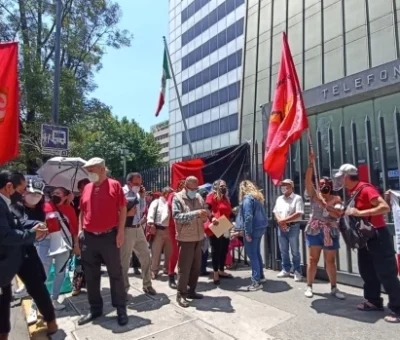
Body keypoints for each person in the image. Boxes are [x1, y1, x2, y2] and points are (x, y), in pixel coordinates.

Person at [334, 164, 400, 323]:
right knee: (367, 270)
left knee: (387, 272)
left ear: (346, 176)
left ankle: (398, 308)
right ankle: (374, 301)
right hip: (365, 237)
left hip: (377, 235)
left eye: (341, 177)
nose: (340, 180)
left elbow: (384, 208)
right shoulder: (353, 191)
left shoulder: (365, 188)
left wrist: (360, 213)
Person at [0, 170, 58, 339]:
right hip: (6, 258)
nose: (24, 193)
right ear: (9, 186)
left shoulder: (8, 202)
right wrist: (33, 235)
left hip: (23, 254)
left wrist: (36, 224)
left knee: (37, 288)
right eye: (22, 189)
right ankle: (3, 333)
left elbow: (18, 221)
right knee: (4, 298)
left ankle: (51, 321)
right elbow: (5, 235)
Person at [78, 158, 128, 326]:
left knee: (115, 274)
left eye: (91, 170)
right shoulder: (86, 187)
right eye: (88, 170)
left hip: (109, 237)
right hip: (89, 237)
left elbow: (123, 209)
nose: (89, 173)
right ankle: (95, 309)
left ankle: (121, 309)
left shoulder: (115, 185)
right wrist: (80, 231)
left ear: (101, 169)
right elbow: (82, 212)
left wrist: (120, 232)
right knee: (91, 276)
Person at [304, 153, 345, 299]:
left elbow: (338, 214)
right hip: (315, 230)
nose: (324, 187)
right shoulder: (314, 195)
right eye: (321, 185)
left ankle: (334, 287)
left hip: (330, 230)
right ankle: (309, 286)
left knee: (330, 261)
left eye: (326, 185)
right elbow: (308, 181)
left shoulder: (336, 198)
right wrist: (311, 164)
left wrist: (326, 206)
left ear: (331, 186)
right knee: (312, 259)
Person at [37, 187, 79, 311]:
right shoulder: (44, 206)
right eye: (54, 193)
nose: (55, 195)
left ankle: (54, 299)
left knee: (60, 272)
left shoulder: (69, 209)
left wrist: (76, 245)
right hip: (46, 243)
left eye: (58, 193)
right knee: (43, 273)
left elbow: (74, 230)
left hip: (64, 244)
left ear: (65, 196)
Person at [173, 176, 209, 307]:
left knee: (196, 267)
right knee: (184, 268)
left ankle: (191, 290)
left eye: (196, 188)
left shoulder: (199, 197)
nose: (194, 191)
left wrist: (205, 216)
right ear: (185, 187)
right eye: (191, 188)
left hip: (198, 237)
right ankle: (181, 294)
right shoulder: (177, 198)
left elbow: (205, 213)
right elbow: (177, 217)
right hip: (185, 238)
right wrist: (196, 213)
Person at [121, 172, 156, 296]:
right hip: (126, 229)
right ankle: (124, 289)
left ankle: (147, 284)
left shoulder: (137, 193)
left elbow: (140, 212)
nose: (138, 186)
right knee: (124, 262)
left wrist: (142, 197)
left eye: (140, 184)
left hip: (138, 228)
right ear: (128, 182)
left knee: (146, 256)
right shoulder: (120, 193)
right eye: (136, 184)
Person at [239, 180, 268, 291]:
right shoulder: (257, 198)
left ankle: (256, 281)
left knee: (252, 255)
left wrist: (247, 232)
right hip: (260, 227)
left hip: (253, 229)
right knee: (256, 253)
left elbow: (248, 217)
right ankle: (260, 276)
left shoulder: (247, 199)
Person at [273, 179, 304, 282]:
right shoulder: (279, 199)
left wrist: (284, 221)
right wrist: (281, 222)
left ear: (291, 186)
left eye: (285, 185)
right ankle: (285, 269)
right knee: (283, 250)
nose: (283, 187)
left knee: (295, 251)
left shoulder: (297, 198)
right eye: (282, 185)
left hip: (293, 227)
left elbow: (298, 213)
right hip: (281, 227)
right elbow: (275, 211)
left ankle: (297, 271)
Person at [206, 180, 233, 285]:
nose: (224, 187)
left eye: (225, 186)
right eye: (222, 186)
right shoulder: (211, 196)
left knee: (224, 249)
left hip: (225, 225)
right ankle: (215, 272)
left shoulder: (226, 198)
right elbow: (207, 208)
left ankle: (221, 269)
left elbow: (229, 212)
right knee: (216, 250)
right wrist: (212, 218)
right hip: (217, 225)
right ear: (216, 186)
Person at [148, 187, 173, 279]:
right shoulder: (156, 202)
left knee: (169, 252)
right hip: (158, 230)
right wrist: (151, 224)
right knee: (156, 252)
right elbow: (151, 213)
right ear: (165, 193)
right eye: (170, 193)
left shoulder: (172, 202)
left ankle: (167, 268)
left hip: (170, 230)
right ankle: (154, 270)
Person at [72, 178, 90, 296]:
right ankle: (77, 286)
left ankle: (90, 285)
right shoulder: (75, 200)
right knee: (79, 262)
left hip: (92, 234)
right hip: (80, 233)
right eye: (83, 188)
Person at [166, 180, 185, 289]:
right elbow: (170, 206)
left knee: (185, 253)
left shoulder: (188, 196)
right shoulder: (173, 195)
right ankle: (171, 276)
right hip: (174, 227)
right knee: (175, 252)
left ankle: (182, 275)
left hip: (185, 227)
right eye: (182, 186)